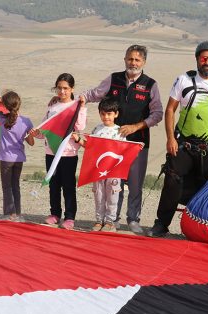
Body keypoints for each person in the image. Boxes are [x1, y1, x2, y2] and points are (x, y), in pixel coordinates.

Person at [150, 40, 208, 237]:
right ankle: (161, 224)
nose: (207, 62)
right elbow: (170, 109)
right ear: (197, 60)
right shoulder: (184, 80)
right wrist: (170, 138)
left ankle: (207, 228)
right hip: (184, 145)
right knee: (172, 183)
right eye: (203, 58)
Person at [79, 44, 163, 235]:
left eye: (137, 59)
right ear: (125, 59)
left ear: (143, 62)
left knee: (134, 184)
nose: (133, 63)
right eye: (130, 59)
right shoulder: (113, 78)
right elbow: (95, 94)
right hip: (112, 144)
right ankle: (112, 220)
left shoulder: (151, 84)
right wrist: (79, 99)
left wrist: (136, 126)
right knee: (112, 182)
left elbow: (157, 113)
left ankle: (133, 219)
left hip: (137, 143)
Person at [38, 73, 87, 231]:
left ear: (72, 88)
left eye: (65, 88)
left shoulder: (76, 106)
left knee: (68, 185)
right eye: (59, 88)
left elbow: (80, 127)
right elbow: (46, 126)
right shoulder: (52, 106)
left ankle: (70, 216)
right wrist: (36, 133)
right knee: (54, 184)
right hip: (51, 151)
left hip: (68, 153)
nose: (62, 91)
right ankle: (55, 214)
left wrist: (83, 107)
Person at [77, 97, 127, 233]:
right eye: (103, 114)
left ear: (116, 114)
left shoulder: (121, 132)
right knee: (99, 195)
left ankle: (110, 222)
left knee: (112, 195)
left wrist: (136, 148)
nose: (106, 117)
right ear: (100, 114)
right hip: (98, 170)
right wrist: (79, 140)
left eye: (109, 114)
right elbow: (89, 146)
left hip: (114, 171)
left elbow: (126, 150)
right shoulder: (96, 130)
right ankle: (99, 220)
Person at [0, 91, 34, 222]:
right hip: (19, 159)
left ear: (6, 106)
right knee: (15, 186)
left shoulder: (3, 119)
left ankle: (9, 214)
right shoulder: (27, 122)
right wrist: (31, 134)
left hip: (6, 159)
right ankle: (17, 214)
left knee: (7, 187)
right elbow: (31, 143)